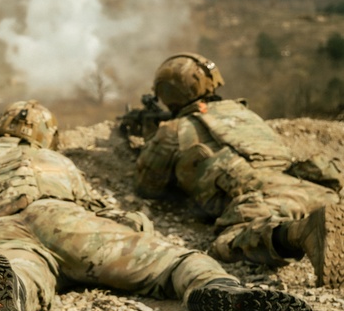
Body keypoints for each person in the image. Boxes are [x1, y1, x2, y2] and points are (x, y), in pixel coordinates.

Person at [0, 100, 312, 311]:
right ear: (46, 135)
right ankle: (216, 289)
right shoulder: (54, 159)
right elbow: (94, 208)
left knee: (22, 271)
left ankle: (11, 296)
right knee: (174, 261)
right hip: (61, 217)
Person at [136, 53, 343, 288]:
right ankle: (321, 222)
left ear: (167, 93)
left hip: (264, 201)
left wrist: (152, 140)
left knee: (227, 243)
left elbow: (147, 186)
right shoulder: (241, 111)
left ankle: (300, 232)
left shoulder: (173, 129)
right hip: (312, 190)